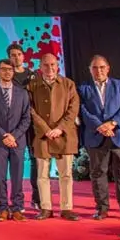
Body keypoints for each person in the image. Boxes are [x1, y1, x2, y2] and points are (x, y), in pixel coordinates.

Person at [78, 55, 120, 220]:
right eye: (95, 68)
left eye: (102, 67)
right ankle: (101, 208)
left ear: (108, 68)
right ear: (90, 70)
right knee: (98, 173)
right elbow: (82, 110)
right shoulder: (83, 88)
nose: (98, 71)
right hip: (96, 136)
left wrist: (112, 123)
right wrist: (100, 126)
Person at [28, 53, 80, 221]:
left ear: (57, 66)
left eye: (53, 65)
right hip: (42, 136)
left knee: (66, 175)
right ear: (40, 67)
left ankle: (66, 208)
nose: (50, 68)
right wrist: (45, 129)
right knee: (42, 175)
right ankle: (46, 208)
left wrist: (59, 128)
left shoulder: (68, 84)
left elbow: (73, 110)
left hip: (64, 135)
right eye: (46, 65)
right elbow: (31, 110)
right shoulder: (32, 85)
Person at [0, 59, 31, 221]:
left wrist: (14, 135)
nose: (7, 72)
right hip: (0, 142)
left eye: (10, 69)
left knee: (18, 176)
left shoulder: (22, 93)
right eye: (4, 69)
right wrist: (4, 135)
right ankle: (2, 208)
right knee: (0, 176)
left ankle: (17, 207)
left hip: (17, 141)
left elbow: (26, 118)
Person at [8, 42, 39, 210]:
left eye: (18, 54)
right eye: (13, 55)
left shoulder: (33, 75)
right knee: (16, 163)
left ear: (23, 56)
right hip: (14, 126)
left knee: (36, 161)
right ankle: (16, 201)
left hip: (33, 124)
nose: (16, 57)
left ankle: (37, 198)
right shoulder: (5, 76)